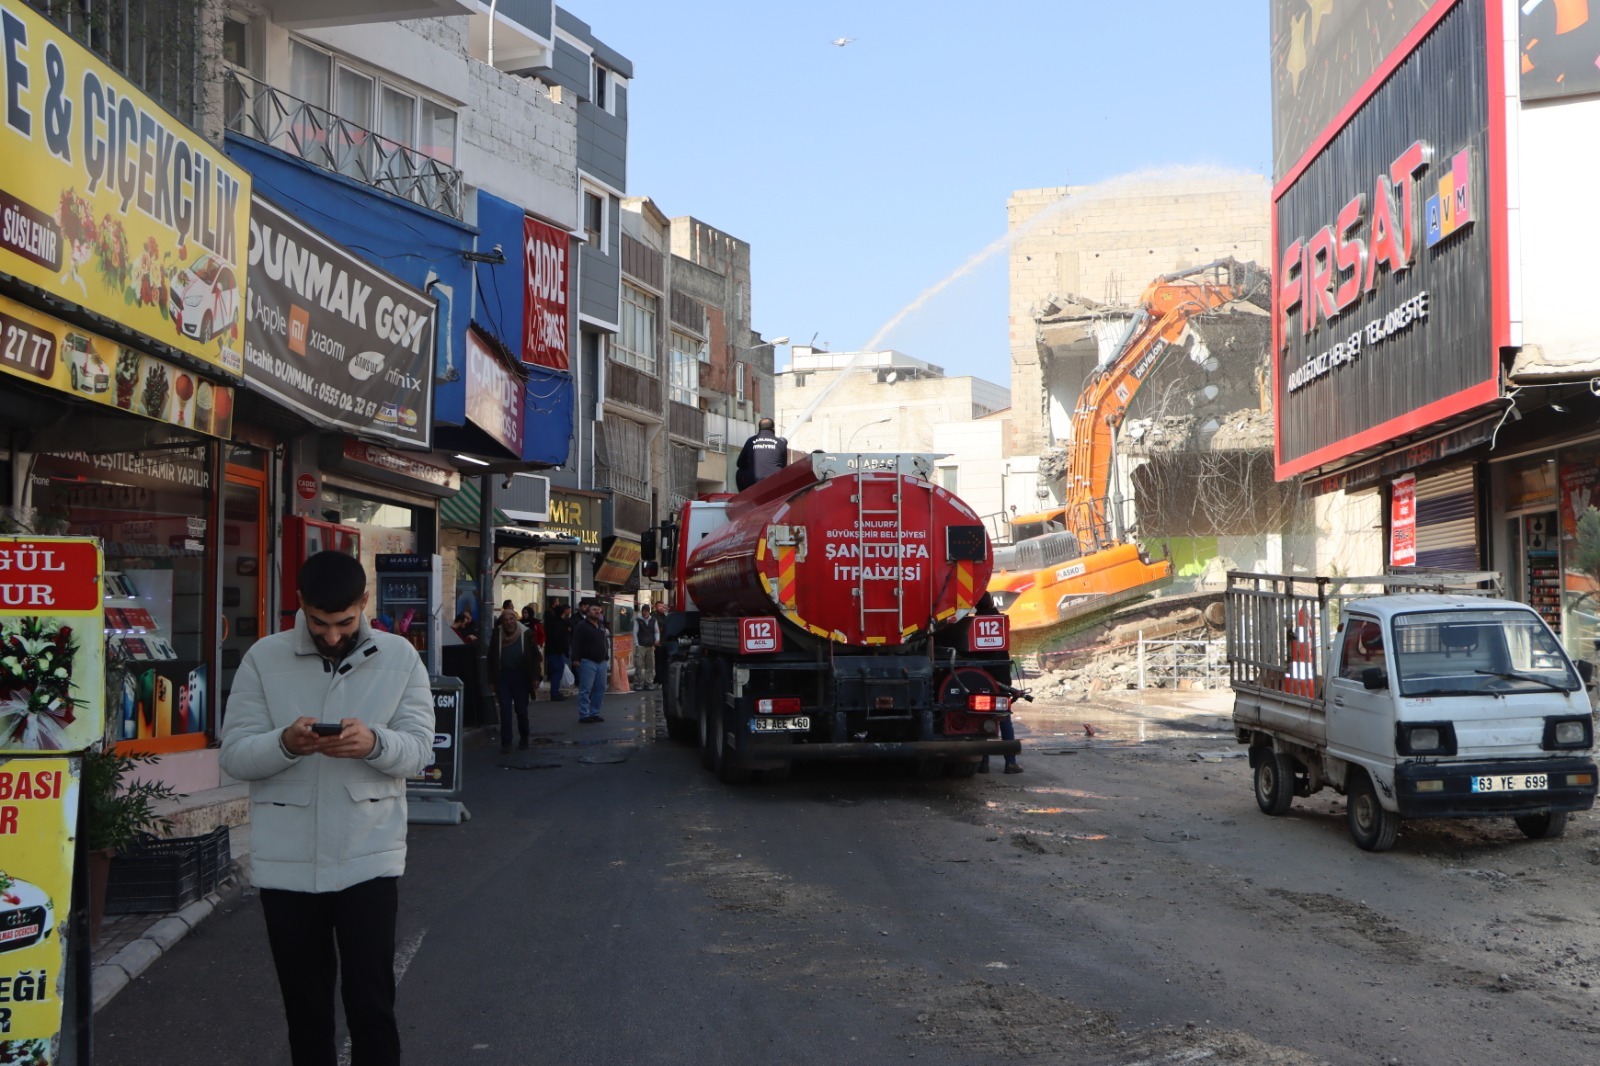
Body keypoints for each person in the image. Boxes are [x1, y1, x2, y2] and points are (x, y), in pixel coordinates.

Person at [219, 550, 433, 1066]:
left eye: (344, 622)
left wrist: (376, 744)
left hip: (369, 857)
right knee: (305, 1011)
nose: (332, 635)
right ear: (299, 605)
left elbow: (422, 750)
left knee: (372, 1007)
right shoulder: (263, 658)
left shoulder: (401, 656)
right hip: (287, 866)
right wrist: (286, 743)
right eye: (319, 622)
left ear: (365, 602)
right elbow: (234, 754)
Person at [488, 603, 541, 752]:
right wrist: (491, 680)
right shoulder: (497, 634)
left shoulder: (526, 633)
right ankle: (506, 742)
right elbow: (491, 657)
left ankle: (524, 737)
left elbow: (535, 657)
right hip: (503, 677)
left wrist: (535, 677)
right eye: (505, 620)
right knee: (505, 710)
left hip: (521, 676)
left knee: (521, 710)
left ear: (515, 619)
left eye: (511, 619)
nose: (508, 622)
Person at [570, 597, 611, 723]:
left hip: (602, 662)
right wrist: (575, 659)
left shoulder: (601, 625)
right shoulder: (582, 626)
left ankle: (595, 713)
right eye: (594, 610)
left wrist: (606, 656)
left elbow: (605, 641)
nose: (597, 612)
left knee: (600, 689)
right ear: (588, 612)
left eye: (599, 610)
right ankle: (584, 714)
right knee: (585, 689)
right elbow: (575, 642)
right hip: (587, 661)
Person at [735, 416, 788, 491]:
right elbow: (784, 467)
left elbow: (739, 464)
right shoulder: (780, 443)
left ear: (759, 429)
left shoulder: (751, 441)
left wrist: (752, 464)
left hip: (754, 481)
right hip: (775, 482)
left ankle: (743, 496)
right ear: (773, 430)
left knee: (739, 472)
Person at [543, 601, 572, 701]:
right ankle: (554, 693)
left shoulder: (551, 623)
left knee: (556, 671)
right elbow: (561, 639)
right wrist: (565, 650)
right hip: (556, 652)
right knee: (557, 671)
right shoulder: (559, 624)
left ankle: (555, 691)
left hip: (551, 651)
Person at [633, 603, 660, 690]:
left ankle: (649, 682)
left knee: (650, 665)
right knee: (639, 665)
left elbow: (656, 631)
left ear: (649, 612)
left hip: (650, 645)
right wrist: (637, 644)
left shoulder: (653, 620)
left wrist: (657, 639)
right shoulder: (637, 620)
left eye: (646, 611)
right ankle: (638, 683)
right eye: (643, 611)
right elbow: (635, 633)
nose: (644, 612)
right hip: (641, 645)